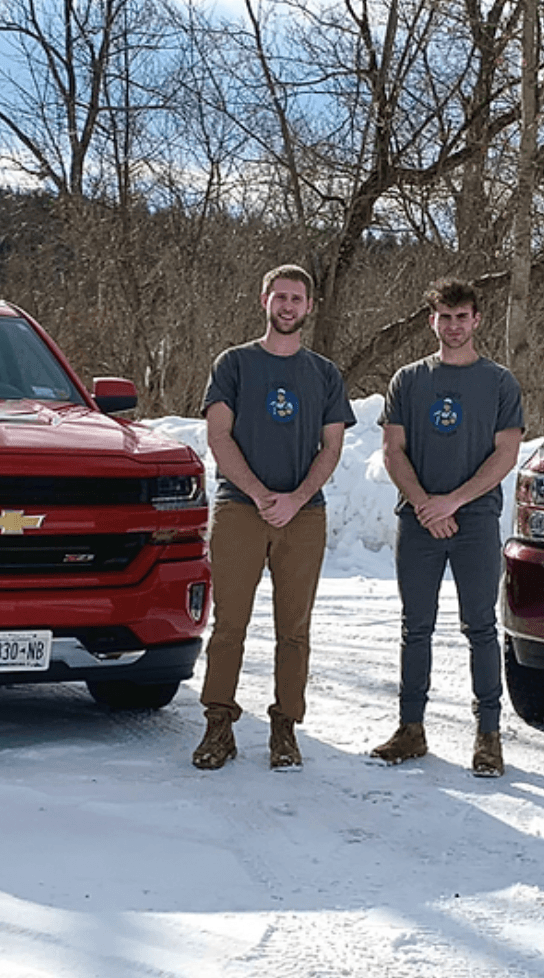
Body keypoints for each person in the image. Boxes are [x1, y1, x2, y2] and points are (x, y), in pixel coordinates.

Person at [191, 264, 356, 771]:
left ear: (309, 307)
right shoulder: (234, 364)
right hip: (240, 508)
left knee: (295, 628)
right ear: (264, 300)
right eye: (279, 296)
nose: (288, 306)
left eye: (296, 298)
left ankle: (285, 727)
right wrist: (261, 493)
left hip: (303, 516)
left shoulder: (324, 373)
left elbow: (332, 447)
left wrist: (296, 497)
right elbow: (219, 435)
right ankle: (218, 724)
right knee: (229, 625)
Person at [370, 277, 524, 777]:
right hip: (418, 521)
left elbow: (505, 454)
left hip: (475, 520)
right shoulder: (408, 380)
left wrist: (452, 502)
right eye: (445, 317)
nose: (454, 326)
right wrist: (424, 505)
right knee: (416, 626)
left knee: (480, 627)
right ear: (431, 320)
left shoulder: (499, 382)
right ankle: (411, 728)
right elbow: (393, 450)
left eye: (462, 317)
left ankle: (488, 736)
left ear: (476, 319)